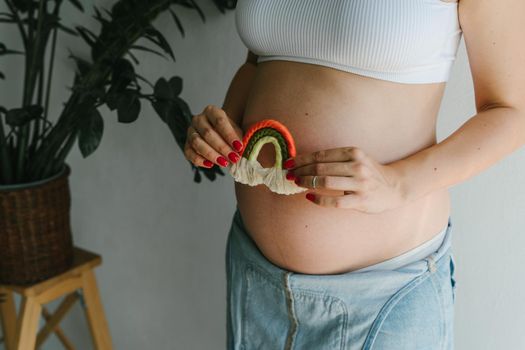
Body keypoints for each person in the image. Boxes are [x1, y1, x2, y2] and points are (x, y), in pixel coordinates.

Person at [183, 0, 525, 349]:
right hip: (256, 279)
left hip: (382, 297)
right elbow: (258, 63)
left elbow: (511, 113)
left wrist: (399, 182)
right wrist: (219, 131)